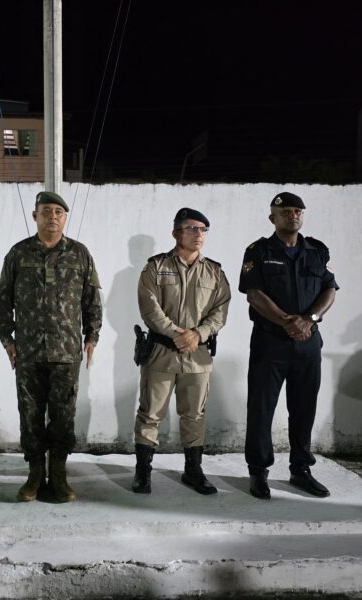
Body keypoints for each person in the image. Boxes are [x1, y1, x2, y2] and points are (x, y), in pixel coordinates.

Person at [0, 191, 102, 503]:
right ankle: (35, 475)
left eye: (58, 212)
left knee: (63, 417)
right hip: (29, 354)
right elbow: (1, 307)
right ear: (35, 215)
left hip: (66, 353)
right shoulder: (18, 254)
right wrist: (8, 341)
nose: (52, 217)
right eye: (46, 211)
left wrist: (92, 337)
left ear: (64, 218)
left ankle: (59, 475)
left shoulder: (80, 254)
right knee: (30, 415)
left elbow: (92, 301)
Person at [239, 192, 338, 500]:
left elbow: (330, 288)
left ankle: (301, 470)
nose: (292, 215)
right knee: (261, 408)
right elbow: (254, 294)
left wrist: (309, 320)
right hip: (270, 342)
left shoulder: (316, 251)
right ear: (273, 218)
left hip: (308, 343)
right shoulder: (259, 251)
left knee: (304, 407)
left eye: (297, 211)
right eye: (285, 212)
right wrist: (287, 322)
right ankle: (258, 471)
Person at [132, 208, 231, 495]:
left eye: (202, 229)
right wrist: (178, 334)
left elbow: (220, 310)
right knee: (150, 413)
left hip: (198, 355)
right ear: (176, 233)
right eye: (191, 228)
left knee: (194, 415)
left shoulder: (214, 271)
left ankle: (193, 470)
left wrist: (198, 334)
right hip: (161, 353)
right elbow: (149, 307)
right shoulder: (156, 267)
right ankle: (143, 471)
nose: (198, 234)